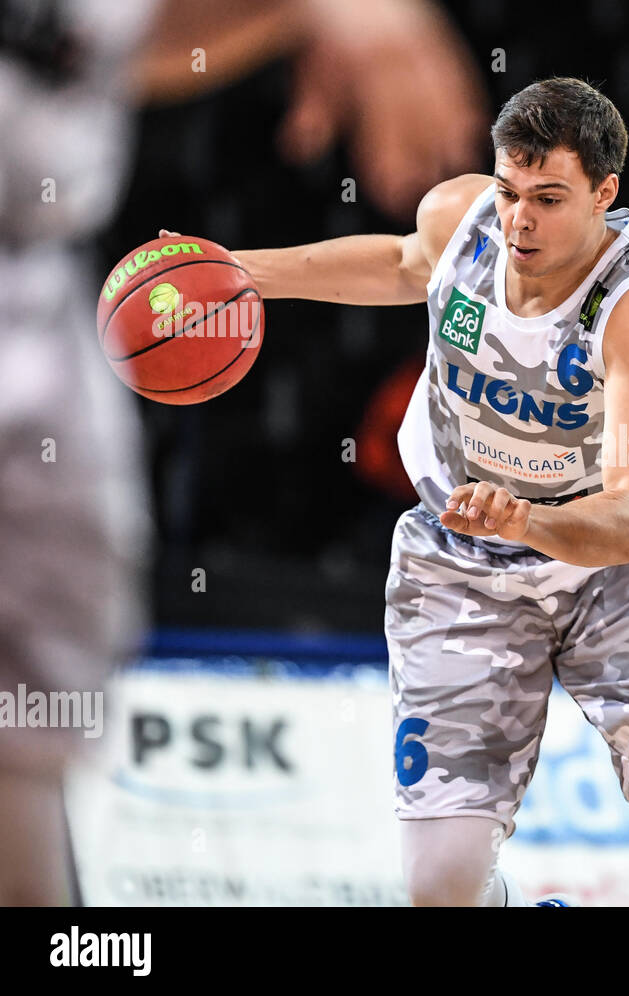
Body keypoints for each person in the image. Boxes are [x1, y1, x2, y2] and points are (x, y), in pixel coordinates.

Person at [211, 77, 629, 907]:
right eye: (511, 192)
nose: (519, 219)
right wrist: (240, 272)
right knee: (440, 891)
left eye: (549, 199)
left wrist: (530, 519)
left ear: (604, 194)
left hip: (614, 578)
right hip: (459, 567)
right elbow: (403, 262)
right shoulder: (464, 217)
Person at [0, 0, 483, 905]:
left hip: (35, 297)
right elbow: (403, 265)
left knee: (24, 760)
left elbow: (88, 46)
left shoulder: (627, 285)